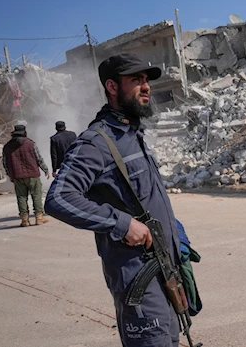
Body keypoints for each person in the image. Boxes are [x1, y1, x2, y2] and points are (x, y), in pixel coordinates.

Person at [44, 53, 184, 347]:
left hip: (165, 270)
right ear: (111, 86)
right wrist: (121, 223)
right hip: (139, 282)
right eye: (136, 80)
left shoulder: (132, 134)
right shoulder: (96, 142)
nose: (145, 87)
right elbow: (58, 198)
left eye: (146, 80)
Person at [3, 124, 50, 227]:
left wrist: (10, 175)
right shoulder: (30, 144)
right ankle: (39, 218)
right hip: (32, 174)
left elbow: (5, 163)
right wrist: (45, 169)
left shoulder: (7, 146)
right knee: (36, 195)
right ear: (24, 133)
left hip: (17, 175)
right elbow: (39, 158)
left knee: (21, 197)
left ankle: (25, 220)